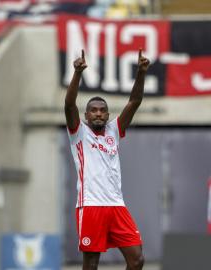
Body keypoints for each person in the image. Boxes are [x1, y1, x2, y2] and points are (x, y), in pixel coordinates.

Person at [64, 48, 150, 270]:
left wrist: (141, 72)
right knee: (91, 264)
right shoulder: (78, 133)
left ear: (108, 115)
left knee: (137, 260)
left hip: (116, 205)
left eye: (103, 110)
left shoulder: (114, 130)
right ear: (86, 116)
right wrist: (77, 73)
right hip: (91, 206)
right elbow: (69, 105)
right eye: (93, 111)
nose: (99, 114)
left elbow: (134, 102)